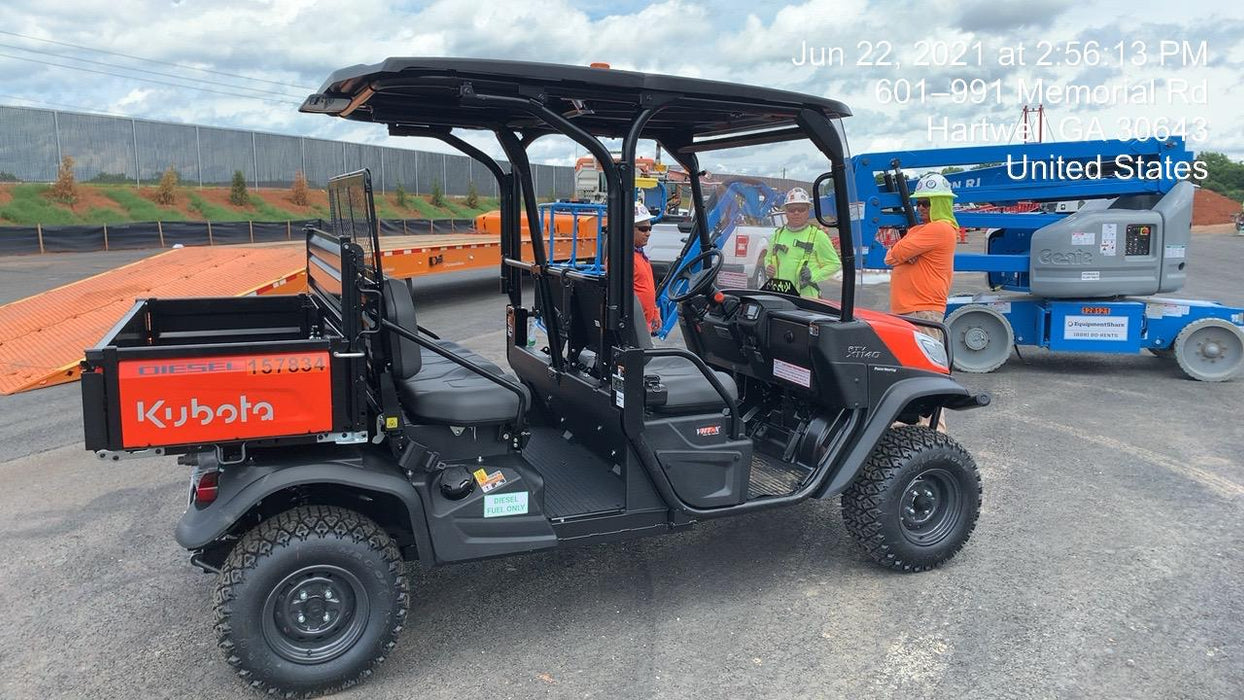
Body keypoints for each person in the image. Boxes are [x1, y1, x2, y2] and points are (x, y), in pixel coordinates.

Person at [884, 173, 958, 338]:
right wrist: (902, 253)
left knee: (921, 354)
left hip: (921, 309)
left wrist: (902, 253)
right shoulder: (920, 230)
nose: (920, 208)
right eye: (918, 203)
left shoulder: (939, 228)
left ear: (940, 203)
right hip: (913, 309)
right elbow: (889, 258)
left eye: (926, 203)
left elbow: (897, 253)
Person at [764, 187, 841, 298]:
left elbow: (834, 264)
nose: (796, 213)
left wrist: (813, 275)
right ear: (786, 211)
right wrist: (768, 267)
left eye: (801, 209)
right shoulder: (777, 235)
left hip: (807, 300)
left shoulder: (818, 236)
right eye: (792, 209)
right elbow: (768, 258)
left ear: (808, 211)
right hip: (780, 297)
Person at [632, 201, 661, 333]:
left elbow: (647, 287)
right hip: (634, 327)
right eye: (643, 229)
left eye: (650, 228)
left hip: (644, 326)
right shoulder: (623, 259)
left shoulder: (641, 256)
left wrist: (654, 311)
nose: (648, 233)